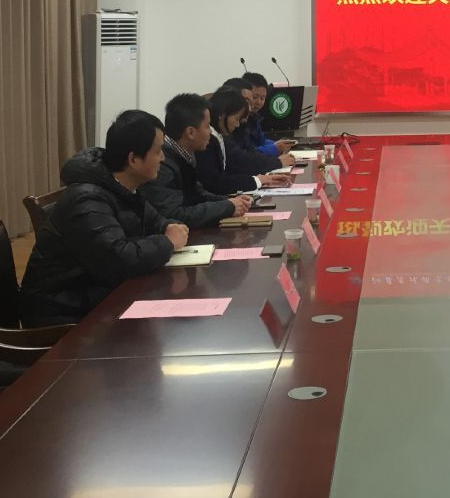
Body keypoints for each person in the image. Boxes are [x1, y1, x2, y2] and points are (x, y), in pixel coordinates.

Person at [19, 110, 186, 325]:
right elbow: (117, 259)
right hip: (61, 314)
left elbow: (155, 220)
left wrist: (169, 227)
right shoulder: (86, 198)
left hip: (97, 296)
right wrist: (167, 242)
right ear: (133, 159)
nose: (163, 157)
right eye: (158, 151)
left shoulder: (122, 186)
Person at [144, 93, 251, 229]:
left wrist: (231, 201)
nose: (210, 132)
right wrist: (226, 206)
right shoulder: (162, 164)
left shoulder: (184, 154)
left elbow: (198, 194)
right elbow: (174, 215)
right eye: (207, 126)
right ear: (191, 132)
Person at [198, 88, 294, 194]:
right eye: (236, 119)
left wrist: (259, 179)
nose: (238, 124)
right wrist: (257, 180)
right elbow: (218, 182)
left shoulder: (220, 136)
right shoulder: (208, 141)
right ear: (222, 114)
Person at [237, 72, 298, 159]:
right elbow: (248, 153)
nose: (258, 102)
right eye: (255, 97)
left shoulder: (254, 117)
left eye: (262, 98)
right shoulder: (240, 121)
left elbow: (261, 141)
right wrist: (275, 148)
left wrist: (279, 144)